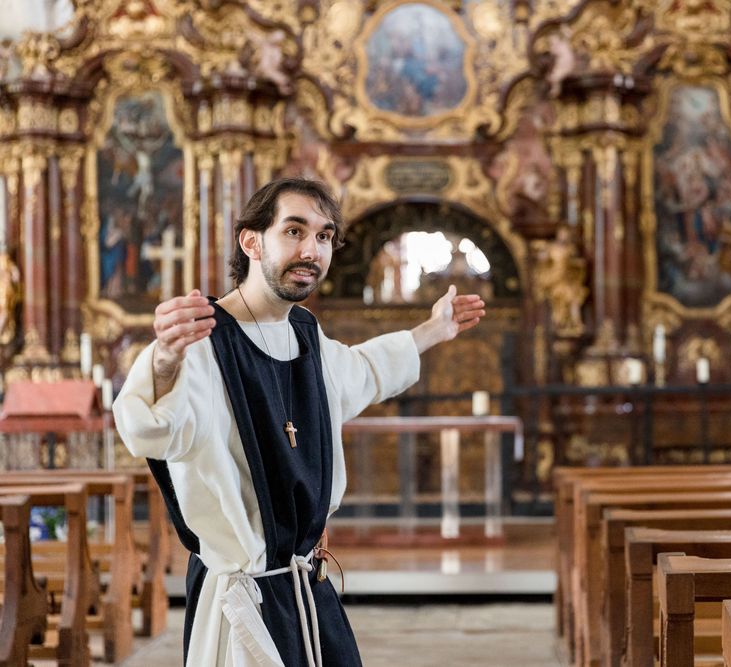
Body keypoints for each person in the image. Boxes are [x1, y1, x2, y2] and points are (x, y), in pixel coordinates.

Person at [112, 177, 486, 666]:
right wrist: (162, 359)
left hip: (309, 588)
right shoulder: (204, 340)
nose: (311, 250)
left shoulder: (305, 334)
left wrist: (434, 329)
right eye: (294, 231)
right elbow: (155, 430)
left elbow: (362, 371)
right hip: (244, 602)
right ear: (251, 241)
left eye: (324, 236)